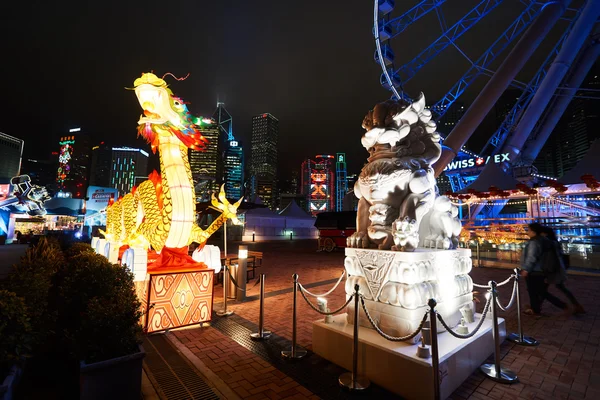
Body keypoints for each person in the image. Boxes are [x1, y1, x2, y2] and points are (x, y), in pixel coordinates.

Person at [521, 223, 568, 316]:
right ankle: (535, 310)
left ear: (533, 231)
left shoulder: (534, 242)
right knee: (536, 291)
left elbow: (532, 257)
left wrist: (526, 269)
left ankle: (562, 305)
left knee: (539, 292)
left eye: (529, 230)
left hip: (534, 271)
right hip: (543, 270)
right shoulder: (544, 240)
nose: (527, 232)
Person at [541, 226, 585, 314]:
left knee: (542, 290)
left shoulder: (549, 244)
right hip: (557, 269)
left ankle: (564, 305)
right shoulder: (555, 242)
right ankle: (577, 305)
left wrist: (546, 271)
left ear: (545, 234)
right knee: (559, 288)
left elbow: (550, 259)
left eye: (542, 233)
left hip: (552, 271)